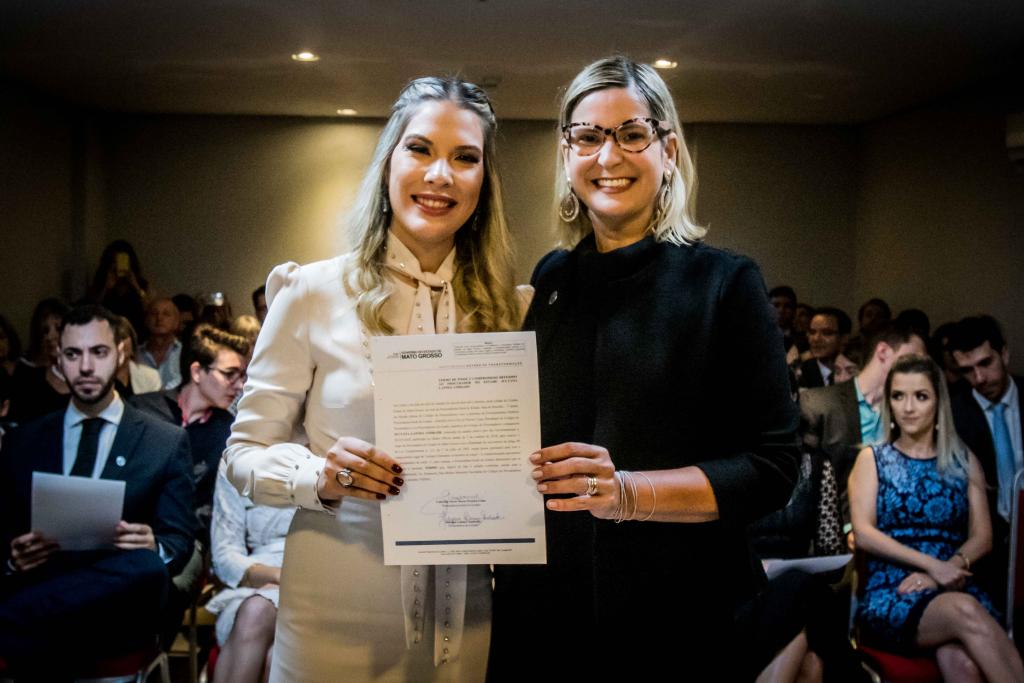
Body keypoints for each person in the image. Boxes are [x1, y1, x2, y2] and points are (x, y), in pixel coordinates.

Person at [489, 56, 800, 679]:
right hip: (544, 609)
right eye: (588, 136)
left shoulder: (724, 283)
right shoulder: (553, 279)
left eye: (632, 134)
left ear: (668, 150)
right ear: (567, 153)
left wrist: (627, 493)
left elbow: (772, 467)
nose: (609, 156)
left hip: (676, 611)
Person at [223, 76, 520, 681]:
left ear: (484, 183)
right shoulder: (310, 291)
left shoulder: (509, 310)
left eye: (465, 158)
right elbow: (243, 454)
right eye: (420, 149)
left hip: (466, 614)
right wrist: (319, 476)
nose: (440, 175)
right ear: (388, 163)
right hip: (332, 606)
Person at [0, 304, 194, 675]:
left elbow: (179, 542)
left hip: (115, 609)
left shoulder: (164, 442)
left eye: (99, 352)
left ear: (120, 354)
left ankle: (14, 619)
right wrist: (13, 557)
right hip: (46, 587)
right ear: (58, 360)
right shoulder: (24, 441)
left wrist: (154, 544)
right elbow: (5, 530)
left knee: (148, 568)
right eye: (74, 354)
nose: (86, 367)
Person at [849, 354, 1023, 681]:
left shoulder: (963, 459)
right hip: (894, 590)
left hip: (952, 581)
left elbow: (983, 537)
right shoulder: (872, 458)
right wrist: (932, 566)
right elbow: (864, 533)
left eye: (921, 396)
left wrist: (945, 570)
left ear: (939, 402)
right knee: (965, 610)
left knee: (964, 666)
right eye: (898, 396)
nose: (908, 407)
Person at [948, 315, 1022, 610]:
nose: (979, 378)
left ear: (1004, 353)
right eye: (967, 370)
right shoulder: (953, 414)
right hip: (983, 547)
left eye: (985, 363)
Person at [207, 468, 295, 683]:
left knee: (275, 658)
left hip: (326, 579)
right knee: (255, 610)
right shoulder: (237, 461)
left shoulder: (342, 457)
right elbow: (225, 555)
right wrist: (277, 576)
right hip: (257, 580)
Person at [7, 297, 71, 424]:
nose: (50, 336)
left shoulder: (86, 373)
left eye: (58, 328)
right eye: (45, 331)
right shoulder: (27, 377)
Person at [89, 239, 149, 335]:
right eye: (114, 261)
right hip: (106, 333)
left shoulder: (142, 285)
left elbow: (150, 310)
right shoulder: (101, 284)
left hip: (136, 333)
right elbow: (91, 311)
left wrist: (136, 286)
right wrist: (106, 287)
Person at [139, 297, 183, 389]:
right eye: (154, 313)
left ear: (176, 322)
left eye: (166, 314)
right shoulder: (135, 355)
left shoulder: (185, 353)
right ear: (146, 320)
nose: (159, 318)